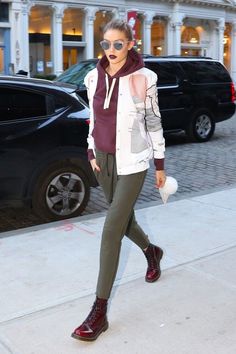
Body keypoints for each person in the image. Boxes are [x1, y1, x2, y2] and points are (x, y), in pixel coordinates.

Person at [71, 19, 166, 342]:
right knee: (124, 220)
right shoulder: (92, 76)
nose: (111, 50)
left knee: (112, 228)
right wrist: (91, 151)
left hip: (134, 161)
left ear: (130, 44)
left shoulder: (144, 78)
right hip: (103, 160)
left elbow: (153, 121)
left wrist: (159, 163)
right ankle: (151, 250)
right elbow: (94, 118)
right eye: (106, 44)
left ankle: (99, 312)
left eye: (118, 44)